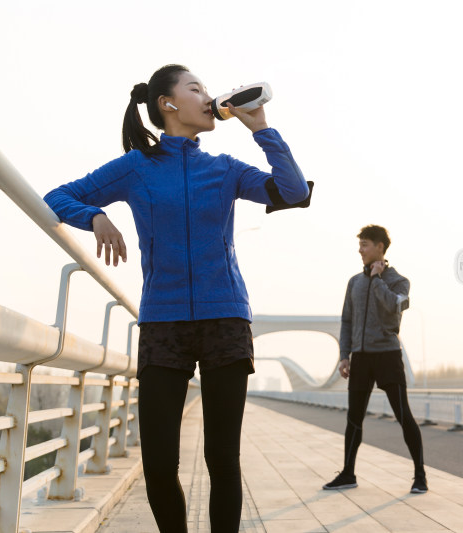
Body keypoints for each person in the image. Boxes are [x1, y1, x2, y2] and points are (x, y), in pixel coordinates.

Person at [43, 64, 310, 532]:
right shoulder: (136, 168)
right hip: (162, 324)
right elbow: (57, 196)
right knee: (159, 465)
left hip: (225, 317)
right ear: (169, 104)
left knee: (222, 459)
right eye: (196, 88)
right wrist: (95, 217)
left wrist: (261, 129)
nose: (208, 97)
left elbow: (293, 192)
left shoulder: (224, 169)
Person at [323, 225, 428, 494]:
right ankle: (348, 473)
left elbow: (395, 307)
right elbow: (347, 320)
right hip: (360, 357)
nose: (360, 250)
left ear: (380, 247)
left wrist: (377, 279)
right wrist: (344, 355)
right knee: (354, 419)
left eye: (365, 244)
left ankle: (420, 476)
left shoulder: (399, 282)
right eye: (360, 245)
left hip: (387, 356)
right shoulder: (354, 282)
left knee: (403, 415)